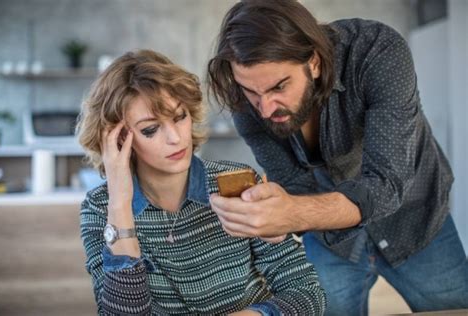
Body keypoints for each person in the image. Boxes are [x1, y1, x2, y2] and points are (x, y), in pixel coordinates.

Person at [206, 1, 468, 315]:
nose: (264, 109)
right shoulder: (245, 102)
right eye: (251, 91)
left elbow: (386, 184)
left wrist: (293, 214)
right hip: (331, 241)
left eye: (279, 86)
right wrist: (273, 218)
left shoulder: (377, 51)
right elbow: (293, 184)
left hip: (415, 221)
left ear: (314, 62)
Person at [77, 49, 326, 315]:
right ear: (117, 141)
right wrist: (119, 205)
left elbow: (307, 293)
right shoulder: (100, 209)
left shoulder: (236, 183)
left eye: (179, 117)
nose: (175, 138)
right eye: (151, 129)